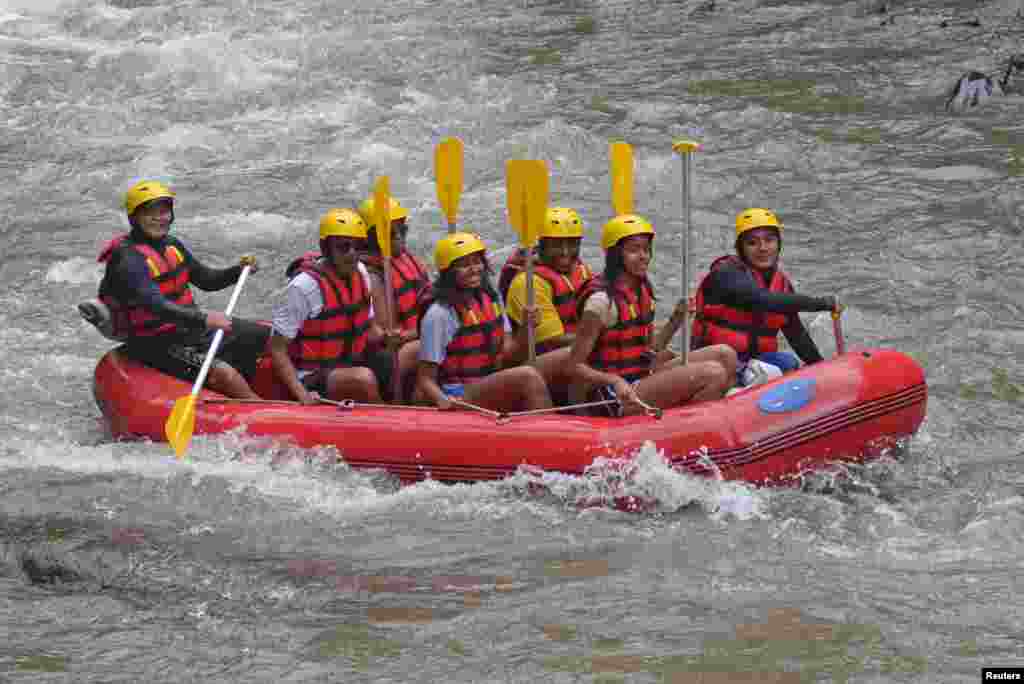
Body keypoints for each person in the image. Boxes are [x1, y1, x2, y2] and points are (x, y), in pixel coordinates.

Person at [95, 180, 268, 399]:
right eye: (151, 213)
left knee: (262, 335)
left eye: (164, 211)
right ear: (134, 218)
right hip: (155, 343)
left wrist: (238, 271)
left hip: (189, 331)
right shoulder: (127, 259)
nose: (160, 218)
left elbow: (207, 280)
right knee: (225, 375)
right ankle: (256, 406)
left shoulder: (171, 245)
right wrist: (204, 319)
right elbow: (155, 305)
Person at [568, 215, 736, 416]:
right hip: (612, 394)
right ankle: (684, 428)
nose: (643, 256)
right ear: (615, 254)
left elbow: (649, 351)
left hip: (640, 377)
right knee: (713, 373)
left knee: (726, 354)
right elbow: (574, 366)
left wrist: (676, 320)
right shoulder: (601, 302)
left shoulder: (642, 289)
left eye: (646, 249)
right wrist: (614, 381)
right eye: (633, 250)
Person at [269, 209, 401, 405]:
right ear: (327, 249)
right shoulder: (304, 286)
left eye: (358, 246)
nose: (352, 254)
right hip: (313, 374)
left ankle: (403, 407)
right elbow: (277, 348)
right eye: (343, 247)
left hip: (349, 360)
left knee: (391, 361)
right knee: (362, 379)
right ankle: (389, 419)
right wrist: (302, 394)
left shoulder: (362, 272)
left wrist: (385, 337)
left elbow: (370, 328)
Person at [691, 208, 839, 383]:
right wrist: (821, 303)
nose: (763, 248)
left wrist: (822, 369)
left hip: (753, 363)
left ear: (778, 244)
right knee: (770, 372)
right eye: (752, 243)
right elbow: (759, 299)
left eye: (769, 240)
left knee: (787, 362)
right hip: (715, 362)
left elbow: (797, 335)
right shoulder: (725, 273)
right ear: (741, 249)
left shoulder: (782, 284)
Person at [415, 232, 552, 412]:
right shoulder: (439, 314)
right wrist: (443, 401)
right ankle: (546, 432)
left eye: (477, 262)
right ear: (448, 272)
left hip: (490, 379)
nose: (474, 269)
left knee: (558, 360)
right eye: (464, 265)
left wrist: (527, 328)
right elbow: (425, 378)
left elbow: (509, 354)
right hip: (459, 393)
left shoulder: (491, 298)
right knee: (528, 376)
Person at [356, 195, 428, 401]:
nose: (399, 237)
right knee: (428, 345)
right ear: (370, 238)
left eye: (402, 230)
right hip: (385, 355)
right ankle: (406, 404)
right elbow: (387, 338)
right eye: (390, 232)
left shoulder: (403, 260)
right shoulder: (371, 276)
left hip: (409, 339)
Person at [500, 207, 594, 355]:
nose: (565, 252)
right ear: (541, 245)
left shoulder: (580, 269)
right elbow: (552, 341)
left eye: (572, 244)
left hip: (579, 348)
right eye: (557, 245)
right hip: (544, 359)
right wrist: (601, 336)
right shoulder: (528, 282)